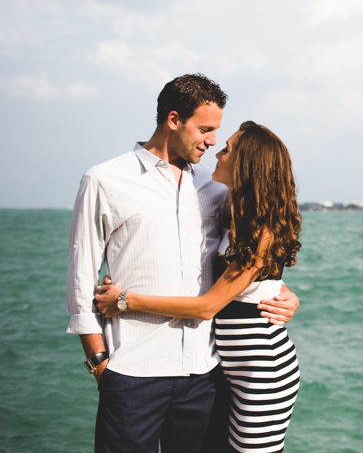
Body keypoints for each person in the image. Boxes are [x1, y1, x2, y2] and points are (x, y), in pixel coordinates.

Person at [65, 74, 299, 453]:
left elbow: (250, 261)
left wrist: (285, 293)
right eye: (205, 129)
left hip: (206, 374)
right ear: (173, 120)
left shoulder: (215, 185)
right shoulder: (104, 180)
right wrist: (100, 366)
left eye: (217, 134)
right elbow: (80, 286)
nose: (212, 141)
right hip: (132, 372)